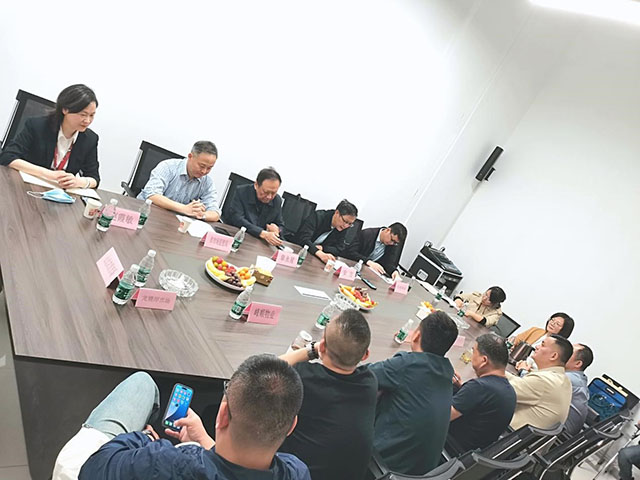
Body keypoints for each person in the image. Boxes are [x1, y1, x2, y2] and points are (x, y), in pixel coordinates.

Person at [54, 355, 310, 479]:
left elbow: (93, 469)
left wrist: (144, 440)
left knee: (141, 383)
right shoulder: (297, 473)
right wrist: (206, 442)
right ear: (291, 426)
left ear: (222, 414)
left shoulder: (165, 462)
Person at [279, 308, 377, 480]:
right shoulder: (369, 383)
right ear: (365, 355)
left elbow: (269, 367)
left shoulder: (303, 378)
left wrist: (311, 350)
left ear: (322, 346)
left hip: (296, 474)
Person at [368, 311, 458, 475]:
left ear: (416, 335)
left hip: (381, 469)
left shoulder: (407, 365)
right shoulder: (447, 372)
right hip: (420, 475)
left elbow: (360, 376)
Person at [0, 84, 100, 188]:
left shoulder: (90, 139)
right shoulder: (37, 126)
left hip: (60, 192)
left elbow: (94, 178)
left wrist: (80, 182)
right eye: (83, 115)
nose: (87, 120)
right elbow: (7, 157)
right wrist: (48, 174)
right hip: (28, 186)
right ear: (65, 110)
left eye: (92, 115)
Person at [448, 333, 516, 454]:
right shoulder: (509, 391)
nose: (471, 355)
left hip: (450, 447)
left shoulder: (479, 387)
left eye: (474, 351)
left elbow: (440, 417)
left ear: (483, 360)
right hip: (474, 453)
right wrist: (462, 388)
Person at [138, 141, 221, 221]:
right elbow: (152, 195)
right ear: (190, 156)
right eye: (201, 166)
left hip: (173, 221)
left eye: (209, 168)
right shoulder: (168, 167)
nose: (204, 171)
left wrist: (201, 214)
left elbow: (215, 213)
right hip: (145, 214)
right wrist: (184, 208)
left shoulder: (207, 182)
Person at [507, 334, 573, 430]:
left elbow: (502, 390)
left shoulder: (545, 380)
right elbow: (519, 383)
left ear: (553, 356)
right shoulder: (562, 379)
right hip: (519, 433)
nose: (537, 347)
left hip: (506, 430)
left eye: (542, 345)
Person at [225, 167, 285, 246]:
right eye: (266, 192)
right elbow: (237, 219)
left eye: (273, 193)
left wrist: (277, 230)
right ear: (256, 185)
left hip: (259, 244)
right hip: (237, 237)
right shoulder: (242, 192)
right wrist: (262, 233)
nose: (269, 197)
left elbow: (280, 224)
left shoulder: (277, 200)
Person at [291, 199, 359, 264]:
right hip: (298, 251)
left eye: (350, 224)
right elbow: (303, 239)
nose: (346, 226)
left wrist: (323, 248)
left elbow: (339, 249)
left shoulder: (343, 227)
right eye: (345, 221)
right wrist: (318, 252)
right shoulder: (318, 216)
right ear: (337, 213)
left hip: (313, 258)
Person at [564, 343, 594, 435]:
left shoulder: (570, 379)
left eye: (568, 352)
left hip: (560, 433)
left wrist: (525, 371)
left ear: (578, 364)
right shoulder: (578, 377)